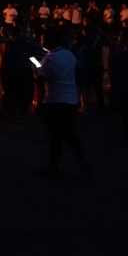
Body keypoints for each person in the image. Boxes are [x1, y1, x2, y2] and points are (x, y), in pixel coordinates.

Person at [36, 29, 90, 178]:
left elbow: (42, 80)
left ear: (48, 41)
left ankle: (54, 166)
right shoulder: (69, 55)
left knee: (55, 136)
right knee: (69, 133)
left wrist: (37, 72)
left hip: (54, 99)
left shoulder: (50, 59)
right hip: (70, 99)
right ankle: (83, 161)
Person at [108, 28, 128, 146]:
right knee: (127, 112)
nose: (119, 37)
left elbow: (115, 63)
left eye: (121, 35)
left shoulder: (127, 53)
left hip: (125, 85)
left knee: (125, 112)